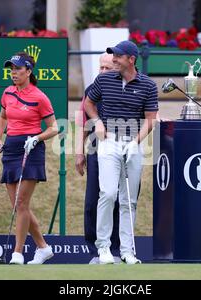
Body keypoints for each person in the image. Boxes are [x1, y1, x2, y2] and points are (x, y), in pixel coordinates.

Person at [84, 40, 159, 264]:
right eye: (113, 56)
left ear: (131, 59)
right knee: (107, 194)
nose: (114, 60)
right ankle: (104, 248)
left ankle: (127, 251)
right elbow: (88, 103)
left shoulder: (148, 85)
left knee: (129, 200)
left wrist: (135, 142)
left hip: (133, 144)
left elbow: (150, 120)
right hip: (108, 141)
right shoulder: (104, 79)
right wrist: (97, 121)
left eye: (117, 56)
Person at [0, 52, 58, 265]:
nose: (13, 73)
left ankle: (18, 253)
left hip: (31, 150)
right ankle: (43, 247)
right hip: (11, 149)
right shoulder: (8, 92)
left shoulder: (39, 97)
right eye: (11, 69)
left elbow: (54, 128)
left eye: (18, 69)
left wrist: (37, 138)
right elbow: (3, 117)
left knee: (22, 203)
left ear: (29, 71)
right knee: (18, 206)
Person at [75, 53, 121, 264]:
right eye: (100, 68)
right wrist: (79, 153)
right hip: (95, 149)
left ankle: (117, 249)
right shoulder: (91, 89)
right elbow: (81, 121)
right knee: (93, 200)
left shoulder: (126, 87)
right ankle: (95, 250)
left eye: (107, 69)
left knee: (118, 200)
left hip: (122, 150)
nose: (102, 72)